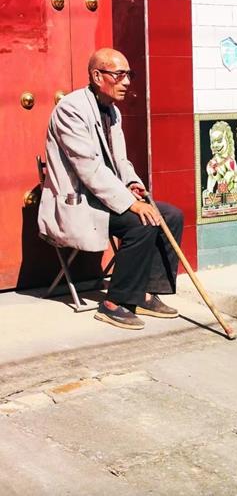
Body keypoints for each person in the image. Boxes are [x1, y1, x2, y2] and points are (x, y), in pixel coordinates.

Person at [38, 48, 184, 330]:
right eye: (119, 74)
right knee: (142, 222)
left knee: (171, 215)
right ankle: (114, 303)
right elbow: (88, 168)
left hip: (108, 197)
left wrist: (132, 184)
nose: (126, 81)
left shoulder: (112, 111)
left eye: (128, 74)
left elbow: (120, 161)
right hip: (81, 202)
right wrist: (131, 205)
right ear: (96, 75)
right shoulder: (71, 109)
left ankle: (143, 293)